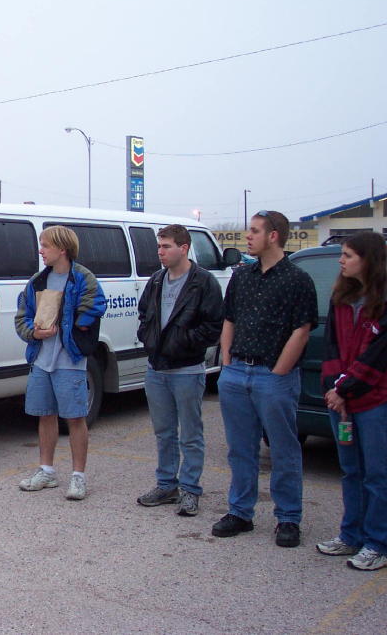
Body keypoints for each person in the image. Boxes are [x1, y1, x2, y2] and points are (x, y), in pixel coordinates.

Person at [213, 210, 317, 547]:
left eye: (255, 231)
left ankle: (288, 518)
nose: (248, 236)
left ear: (273, 236)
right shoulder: (242, 277)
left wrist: (279, 372)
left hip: (273, 377)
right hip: (236, 373)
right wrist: (227, 363)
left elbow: (302, 330)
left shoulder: (297, 280)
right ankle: (240, 512)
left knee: (283, 450)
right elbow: (229, 319)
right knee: (240, 449)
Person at [135, 224, 223, 516]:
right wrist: (150, 341)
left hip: (187, 369)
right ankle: (166, 485)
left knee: (191, 434)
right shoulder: (157, 281)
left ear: (183, 248)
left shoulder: (203, 282)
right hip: (156, 369)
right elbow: (144, 314)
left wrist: (183, 343)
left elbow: (213, 326)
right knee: (164, 432)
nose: (160, 252)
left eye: (166, 246)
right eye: (159, 246)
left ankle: (190, 490)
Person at [14, 225, 106, 500]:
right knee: (45, 414)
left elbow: (96, 304)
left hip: (71, 361)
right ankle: (47, 471)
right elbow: (22, 317)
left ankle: (78, 477)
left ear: (62, 249)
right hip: (41, 359)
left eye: (45, 245)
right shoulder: (37, 281)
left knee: (75, 418)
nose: (40, 250)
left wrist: (74, 328)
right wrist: (34, 332)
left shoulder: (83, 278)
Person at [316, 232, 387, 571]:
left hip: (374, 401)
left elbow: (378, 354)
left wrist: (345, 388)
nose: (341, 261)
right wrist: (333, 388)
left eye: (347, 255)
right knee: (351, 471)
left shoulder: (383, 300)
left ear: (368, 259)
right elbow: (331, 345)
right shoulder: (340, 297)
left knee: (377, 474)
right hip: (341, 403)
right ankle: (351, 534)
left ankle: (377, 543)